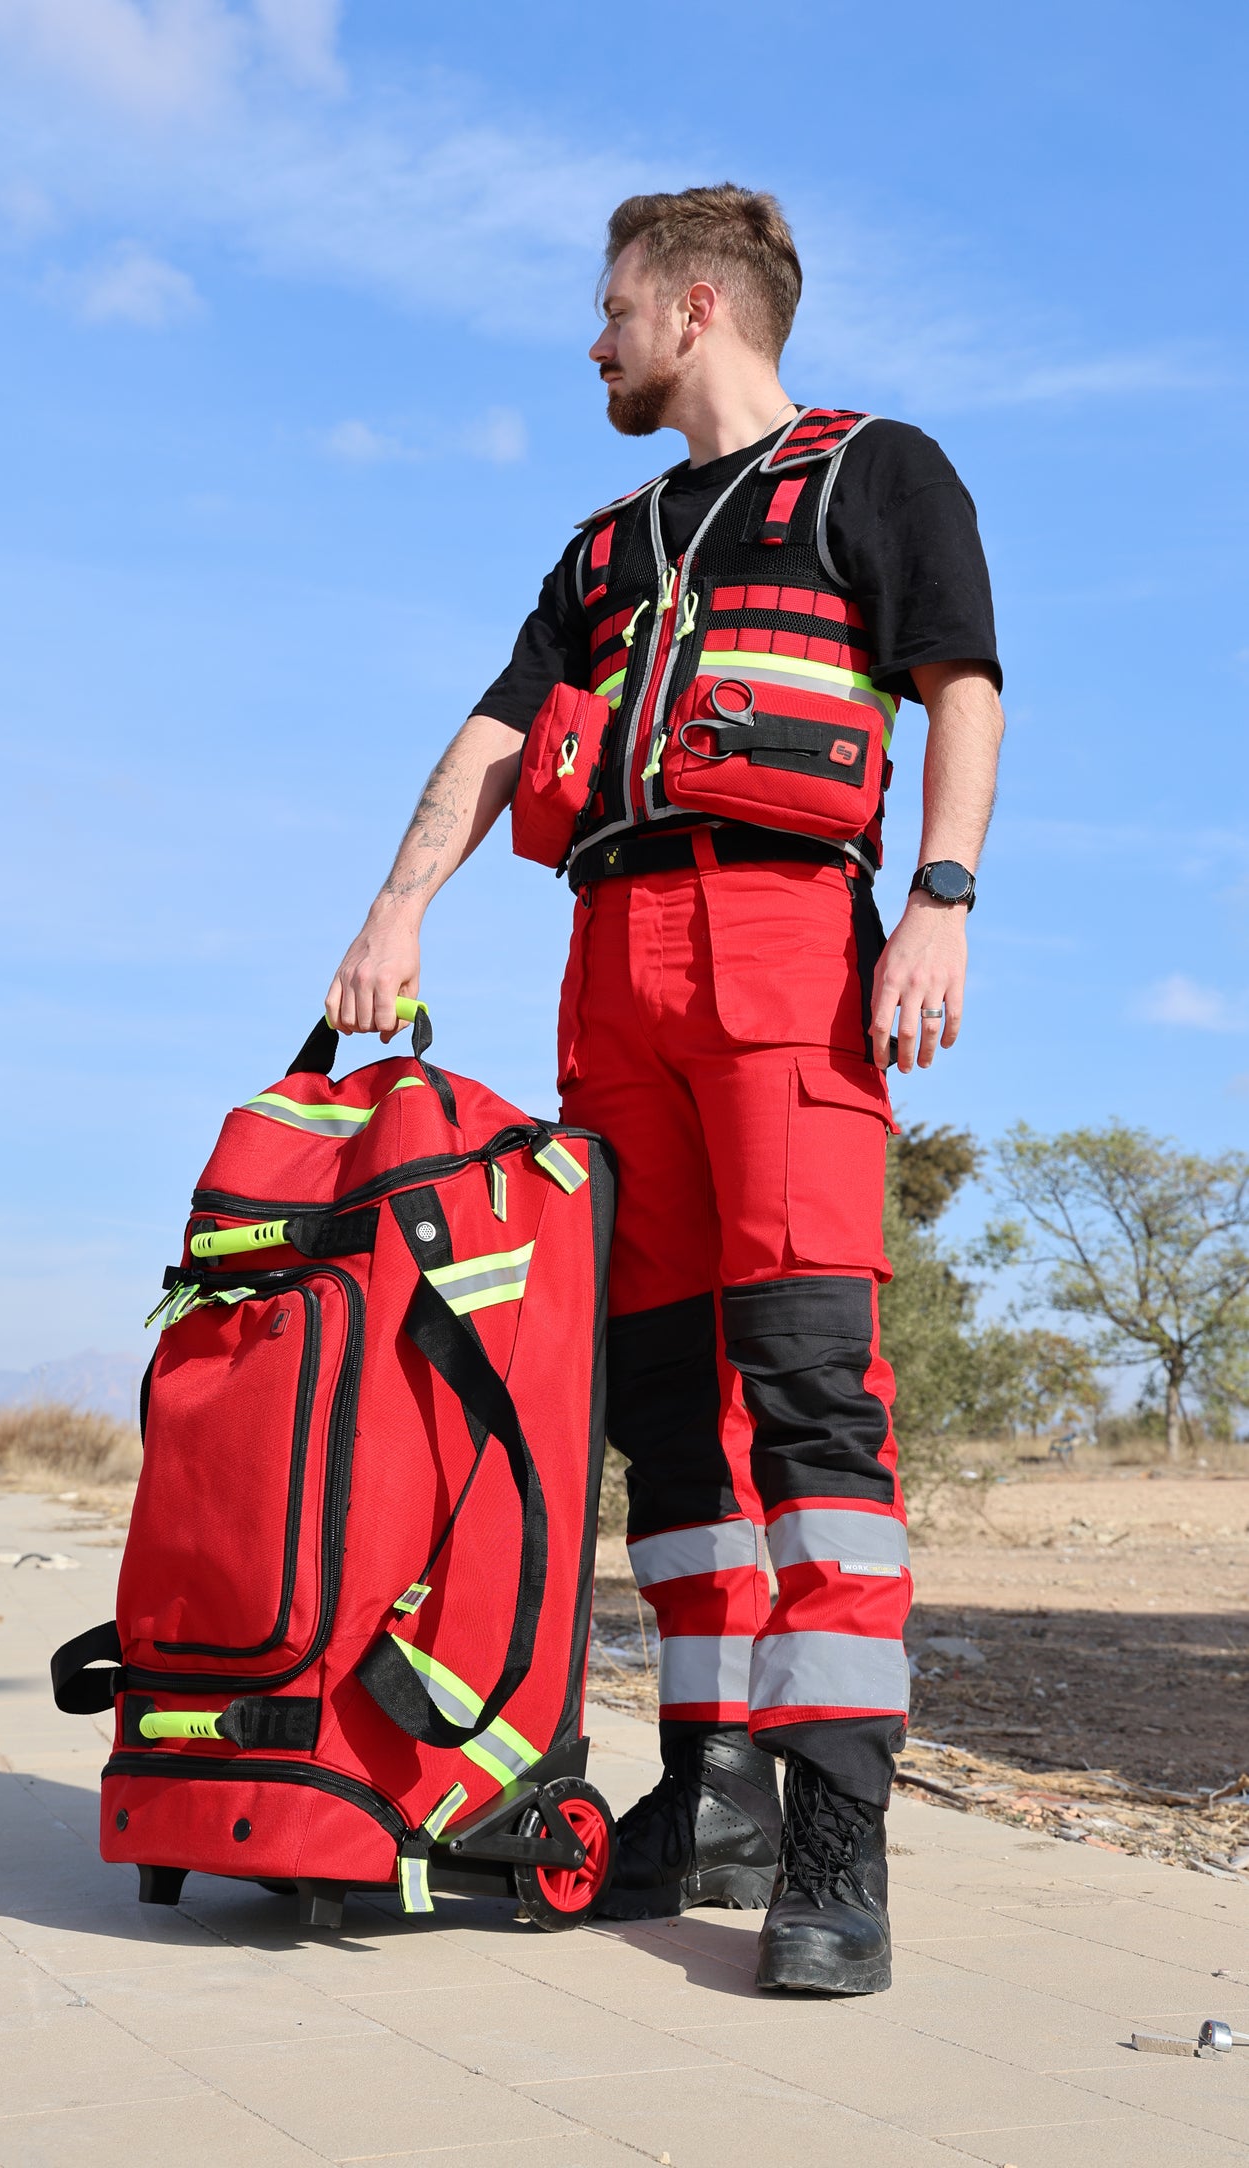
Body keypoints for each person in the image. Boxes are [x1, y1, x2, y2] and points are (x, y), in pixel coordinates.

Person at [326, 184, 1003, 1995]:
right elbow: (494, 733)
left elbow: (960, 691)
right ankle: (706, 1788)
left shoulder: (878, 474)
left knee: (806, 1396)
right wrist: (397, 905)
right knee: (658, 1407)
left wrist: (936, 903)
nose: (593, 337)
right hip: (610, 975)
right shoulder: (607, 547)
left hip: (789, 957)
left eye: (609, 307)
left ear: (694, 307)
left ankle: (837, 1831)